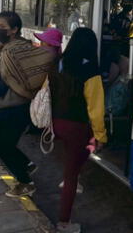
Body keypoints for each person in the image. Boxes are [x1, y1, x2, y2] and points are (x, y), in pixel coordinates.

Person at [0, 11, 53, 197]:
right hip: (21, 105)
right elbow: (8, 83)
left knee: (3, 146)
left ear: (14, 30)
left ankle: (26, 183)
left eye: (2, 28)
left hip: (16, 108)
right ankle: (26, 165)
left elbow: (0, 87)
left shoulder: (10, 52)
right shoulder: (22, 46)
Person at [48, 27, 107, 233]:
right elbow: (96, 108)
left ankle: (69, 176)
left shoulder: (59, 62)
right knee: (73, 172)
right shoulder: (91, 70)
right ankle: (64, 223)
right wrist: (101, 135)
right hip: (76, 126)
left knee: (78, 154)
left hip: (56, 122)